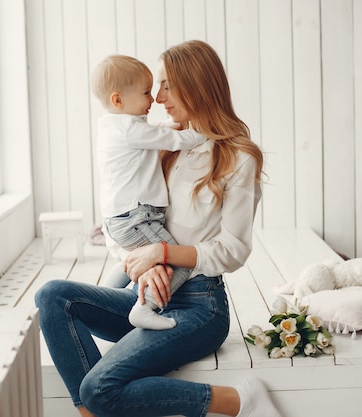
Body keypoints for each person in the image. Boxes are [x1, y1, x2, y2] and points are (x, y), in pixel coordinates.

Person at [35, 40, 282, 417]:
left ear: (195, 85)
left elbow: (234, 249)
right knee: (52, 295)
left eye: (167, 85)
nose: (159, 98)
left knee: (99, 388)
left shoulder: (238, 156)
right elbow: (124, 223)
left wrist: (162, 253)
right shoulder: (161, 145)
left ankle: (240, 400)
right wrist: (145, 264)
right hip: (145, 297)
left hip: (199, 307)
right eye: (157, 87)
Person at [91, 54, 206, 330]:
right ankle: (144, 307)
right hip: (137, 217)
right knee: (178, 262)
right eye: (145, 92)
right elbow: (175, 140)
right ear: (118, 100)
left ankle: (109, 291)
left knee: (146, 259)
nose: (153, 99)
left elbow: (154, 131)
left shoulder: (113, 126)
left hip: (121, 219)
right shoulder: (130, 129)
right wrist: (206, 131)